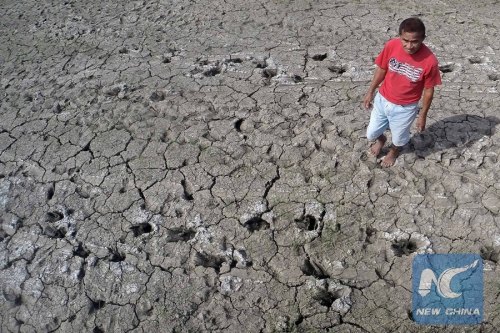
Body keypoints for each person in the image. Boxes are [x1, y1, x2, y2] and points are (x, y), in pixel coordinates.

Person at [363, 17, 442, 167]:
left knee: (399, 139)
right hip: (382, 100)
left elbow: (429, 90)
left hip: (405, 108)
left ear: (423, 38)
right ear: (400, 36)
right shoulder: (391, 45)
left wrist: (423, 115)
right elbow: (382, 68)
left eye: (415, 41)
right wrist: (370, 91)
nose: (409, 46)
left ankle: (394, 151)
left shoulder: (430, 61)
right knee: (371, 134)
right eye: (405, 40)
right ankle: (381, 140)